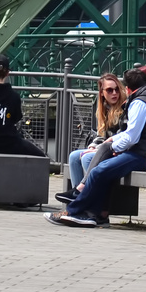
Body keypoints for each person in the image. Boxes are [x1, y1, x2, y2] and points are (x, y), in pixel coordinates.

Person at [47, 66, 146, 228]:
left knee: (99, 171)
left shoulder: (140, 102)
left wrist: (114, 147)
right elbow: (131, 133)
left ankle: (74, 211)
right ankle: (95, 214)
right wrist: (112, 142)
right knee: (101, 170)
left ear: (128, 89)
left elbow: (131, 137)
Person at [58, 73, 127, 204]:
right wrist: (93, 146)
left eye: (117, 89)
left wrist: (97, 151)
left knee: (87, 157)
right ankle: (76, 201)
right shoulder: (105, 108)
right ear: (101, 93)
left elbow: (121, 137)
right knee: (73, 156)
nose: (114, 93)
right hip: (106, 149)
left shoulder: (124, 108)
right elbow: (101, 134)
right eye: (109, 90)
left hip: (117, 151)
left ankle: (87, 203)